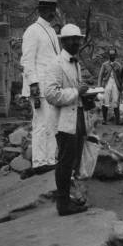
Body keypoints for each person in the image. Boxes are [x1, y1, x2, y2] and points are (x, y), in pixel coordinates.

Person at [45, 24, 96, 216]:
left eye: (78, 39)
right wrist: (76, 92)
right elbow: (50, 94)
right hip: (65, 121)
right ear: (63, 41)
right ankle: (63, 204)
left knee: (75, 160)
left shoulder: (76, 63)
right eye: (72, 39)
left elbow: (76, 90)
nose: (76, 42)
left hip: (78, 116)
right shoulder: (56, 64)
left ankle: (69, 198)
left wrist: (87, 95)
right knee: (65, 162)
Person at [20, 0, 60, 178]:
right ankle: (39, 162)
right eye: (49, 9)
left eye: (54, 9)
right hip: (39, 86)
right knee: (41, 124)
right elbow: (27, 61)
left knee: (52, 124)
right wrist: (33, 85)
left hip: (51, 86)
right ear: (40, 10)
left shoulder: (51, 31)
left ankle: (50, 160)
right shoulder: (32, 31)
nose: (53, 13)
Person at [98, 48, 123, 125]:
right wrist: (99, 86)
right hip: (106, 83)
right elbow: (100, 76)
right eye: (110, 54)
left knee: (116, 100)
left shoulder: (118, 65)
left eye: (113, 54)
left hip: (115, 84)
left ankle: (117, 120)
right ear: (108, 55)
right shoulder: (104, 64)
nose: (112, 56)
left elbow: (121, 76)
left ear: (115, 55)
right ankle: (104, 120)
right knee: (105, 100)